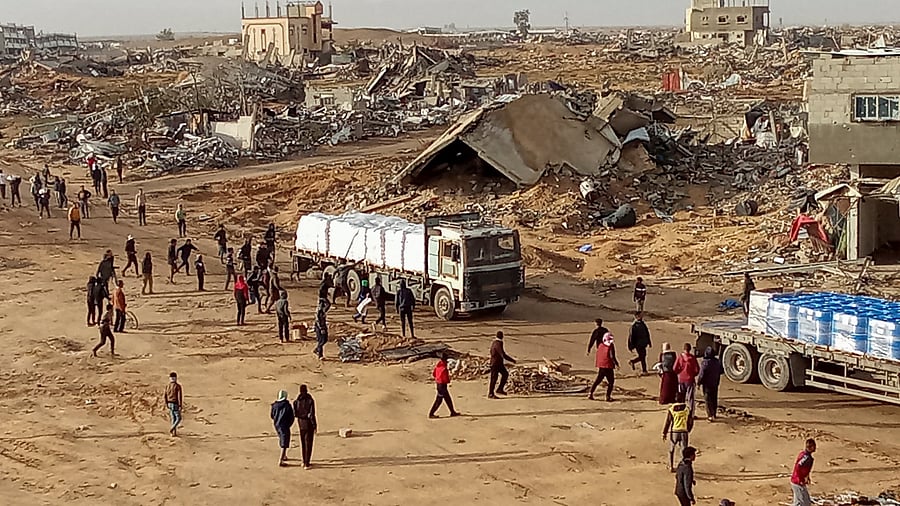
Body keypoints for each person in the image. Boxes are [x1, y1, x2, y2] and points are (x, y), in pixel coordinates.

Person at [663, 392, 694, 473]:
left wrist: (664, 432)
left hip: (674, 431)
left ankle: (671, 466)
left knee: (672, 448)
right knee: (683, 449)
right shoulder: (687, 409)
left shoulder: (671, 409)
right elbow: (690, 421)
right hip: (684, 431)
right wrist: (689, 429)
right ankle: (683, 465)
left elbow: (668, 422)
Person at [588, 330, 619, 402]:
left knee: (598, 380)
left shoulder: (600, 345)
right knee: (611, 382)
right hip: (608, 366)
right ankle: (608, 396)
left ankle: (590, 393)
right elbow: (612, 356)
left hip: (601, 365)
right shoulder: (610, 346)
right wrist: (616, 364)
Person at [293, 385, 317, 469]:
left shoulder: (297, 401)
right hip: (308, 424)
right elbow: (312, 414)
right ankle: (307, 463)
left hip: (301, 424)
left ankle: (303, 461)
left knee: (303, 443)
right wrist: (314, 425)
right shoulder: (310, 400)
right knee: (309, 443)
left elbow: (295, 413)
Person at [428, 353, 460, 418]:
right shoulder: (444, 368)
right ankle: (431, 414)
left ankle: (452, 412)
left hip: (439, 384)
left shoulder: (438, 366)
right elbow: (445, 379)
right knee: (439, 400)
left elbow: (434, 374)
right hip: (442, 385)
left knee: (447, 398)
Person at [697, 346, 724, 421]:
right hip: (715, 383)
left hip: (707, 384)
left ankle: (710, 415)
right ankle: (714, 414)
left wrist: (699, 383)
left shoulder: (705, 362)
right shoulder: (717, 362)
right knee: (714, 399)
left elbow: (702, 374)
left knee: (708, 399)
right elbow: (721, 371)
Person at [674, 343, 700, 417]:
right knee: (690, 398)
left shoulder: (680, 357)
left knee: (681, 396)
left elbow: (674, 368)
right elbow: (697, 370)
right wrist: (693, 375)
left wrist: (679, 373)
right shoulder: (692, 358)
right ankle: (691, 414)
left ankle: (681, 412)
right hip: (690, 380)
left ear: (684, 349)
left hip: (681, 379)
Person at [270, 390, 295, 467]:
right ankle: (281, 460)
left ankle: (284, 456)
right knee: (285, 441)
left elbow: (272, 415)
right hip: (284, 425)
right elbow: (291, 417)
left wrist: (276, 421)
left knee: (282, 439)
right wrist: (289, 424)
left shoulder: (274, 405)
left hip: (277, 425)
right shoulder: (287, 406)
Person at [488, 331, 516, 398]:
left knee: (505, 374)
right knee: (494, 379)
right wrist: (512, 360)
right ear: (502, 336)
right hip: (495, 364)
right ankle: (490, 393)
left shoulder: (495, 342)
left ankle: (500, 389)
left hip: (498, 363)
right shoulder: (498, 344)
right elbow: (503, 354)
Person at [790, 439, 816, 506]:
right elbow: (798, 467)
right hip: (797, 482)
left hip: (796, 481)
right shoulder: (806, 457)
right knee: (805, 503)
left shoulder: (804, 455)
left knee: (797, 502)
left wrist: (807, 477)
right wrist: (800, 479)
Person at [164, 372, 183, 436]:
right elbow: (179, 396)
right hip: (175, 403)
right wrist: (180, 405)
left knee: (173, 418)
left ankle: (173, 433)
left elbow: (165, 395)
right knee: (178, 418)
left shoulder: (167, 386)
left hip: (169, 403)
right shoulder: (177, 386)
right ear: (176, 378)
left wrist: (166, 403)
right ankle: (172, 429)